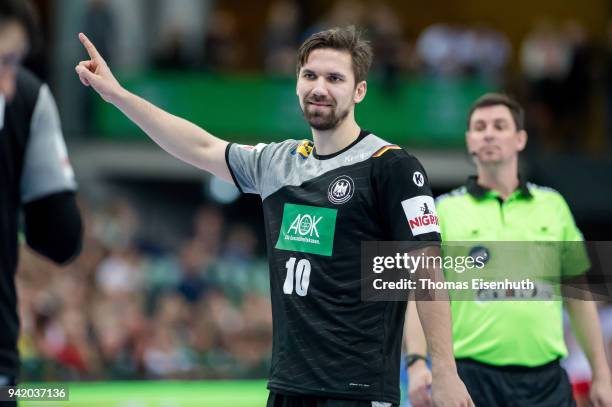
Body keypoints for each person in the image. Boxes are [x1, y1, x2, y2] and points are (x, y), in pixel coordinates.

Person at [75, 26, 473, 407]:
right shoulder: (279, 163)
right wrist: (118, 96)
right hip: (286, 387)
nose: (319, 87)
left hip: (356, 390)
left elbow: (426, 270)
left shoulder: (391, 167)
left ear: (359, 90)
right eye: (310, 75)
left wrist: (444, 370)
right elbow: (198, 146)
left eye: (335, 78)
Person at [405, 93, 612, 407]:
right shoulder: (443, 210)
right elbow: (420, 294)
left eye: (500, 125)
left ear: (520, 139)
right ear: (469, 141)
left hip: (548, 382)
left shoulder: (553, 206)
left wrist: (602, 373)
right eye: (480, 127)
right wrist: (418, 364)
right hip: (471, 379)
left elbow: (579, 295)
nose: (488, 133)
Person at [0, 0, 82, 403]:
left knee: (48, 394)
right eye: (1, 63)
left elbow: (60, 238)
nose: (7, 86)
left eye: (14, 63)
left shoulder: (25, 101)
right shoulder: (27, 101)